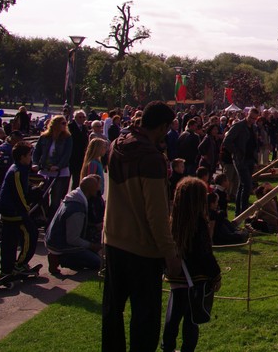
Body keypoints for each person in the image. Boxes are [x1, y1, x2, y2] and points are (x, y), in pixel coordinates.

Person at [102, 100, 180, 352]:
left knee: (112, 313)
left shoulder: (116, 146)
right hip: (142, 250)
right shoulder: (151, 158)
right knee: (145, 321)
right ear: (163, 127)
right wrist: (170, 253)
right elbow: (156, 214)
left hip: (114, 240)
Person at [163, 177, 221, 352]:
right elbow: (204, 254)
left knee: (173, 317)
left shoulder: (173, 220)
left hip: (177, 276)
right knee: (191, 320)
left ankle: (168, 347)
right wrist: (216, 275)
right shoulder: (198, 223)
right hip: (194, 278)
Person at [45, 174, 103, 275]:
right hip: (60, 245)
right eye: (96, 189)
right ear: (90, 190)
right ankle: (60, 259)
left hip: (55, 239)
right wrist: (92, 246)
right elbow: (73, 239)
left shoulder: (74, 198)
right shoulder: (76, 209)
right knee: (97, 262)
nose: (98, 191)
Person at [0, 143, 39, 279]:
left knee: (10, 241)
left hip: (12, 210)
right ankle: (19, 264)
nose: (30, 158)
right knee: (30, 235)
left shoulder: (21, 169)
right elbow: (19, 194)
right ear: (22, 157)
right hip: (14, 212)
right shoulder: (17, 171)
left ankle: (7, 268)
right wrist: (26, 209)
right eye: (29, 155)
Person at [33, 115, 74, 221]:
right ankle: (44, 216)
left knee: (56, 197)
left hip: (60, 172)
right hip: (44, 170)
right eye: (63, 123)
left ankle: (52, 220)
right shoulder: (44, 137)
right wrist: (35, 163)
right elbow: (37, 151)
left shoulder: (67, 138)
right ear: (55, 124)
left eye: (65, 123)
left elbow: (67, 154)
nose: (65, 125)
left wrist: (58, 166)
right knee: (42, 195)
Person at [222, 107, 259, 217]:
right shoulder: (238, 126)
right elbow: (227, 141)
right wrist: (236, 151)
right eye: (251, 117)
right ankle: (244, 211)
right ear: (247, 114)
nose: (252, 120)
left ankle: (239, 212)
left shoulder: (253, 128)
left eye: (254, 119)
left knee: (242, 185)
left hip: (250, 159)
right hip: (241, 159)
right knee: (247, 185)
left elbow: (254, 143)